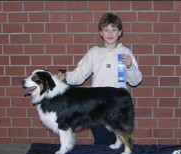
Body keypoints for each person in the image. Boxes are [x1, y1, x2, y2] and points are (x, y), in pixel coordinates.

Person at [59, 12, 142, 145]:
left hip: (118, 103)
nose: (110, 33)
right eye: (106, 30)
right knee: (102, 141)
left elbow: (136, 80)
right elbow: (79, 74)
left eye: (114, 30)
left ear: (119, 32)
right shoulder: (93, 52)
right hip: (97, 105)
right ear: (101, 33)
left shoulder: (126, 53)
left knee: (120, 139)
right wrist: (66, 77)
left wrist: (131, 66)